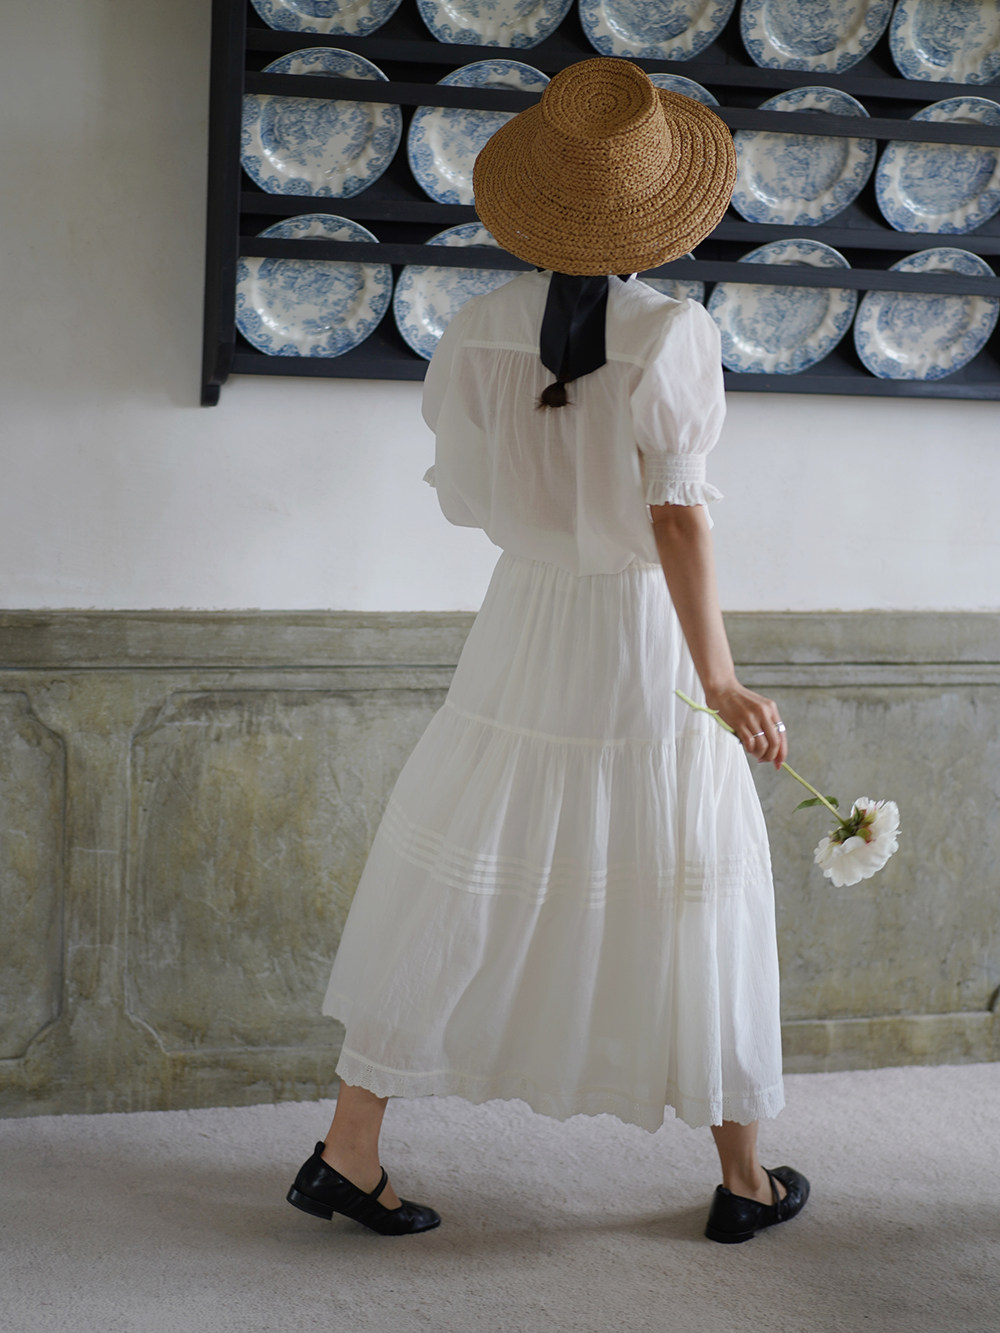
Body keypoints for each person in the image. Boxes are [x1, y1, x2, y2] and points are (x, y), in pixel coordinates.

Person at [287, 57, 809, 1245]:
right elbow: (677, 516)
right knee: (689, 868)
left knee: (464, 863)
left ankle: (346, 1147)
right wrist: (719, 676)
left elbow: (463, 500)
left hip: (522, 621)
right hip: (638, 634)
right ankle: (742, 1177)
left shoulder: (475, 330)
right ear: (656, 209)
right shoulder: (672, 333)